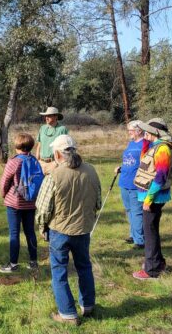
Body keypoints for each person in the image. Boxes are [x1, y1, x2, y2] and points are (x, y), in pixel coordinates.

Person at [35, 134, 101, 326]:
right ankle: (88, 305)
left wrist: (41, 226)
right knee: (84, 267)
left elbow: (43, 208)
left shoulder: (54, 175)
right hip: (83, 229)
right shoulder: (91, 171)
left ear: (57, 154)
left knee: (59, 272)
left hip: (59, 230)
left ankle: (67, 314)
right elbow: (97, 201)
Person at [132, 118, 172, 280]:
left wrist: (149, 199)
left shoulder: (163, 149)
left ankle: (151, 270)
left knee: (149, 233)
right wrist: (145, 141)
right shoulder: (156, 146)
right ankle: (158, 263)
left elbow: (160, 177)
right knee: (152, 231)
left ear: (156, 132)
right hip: (151, 196)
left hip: (154, 197)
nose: (144, 133)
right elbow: (144, 161)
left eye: (147, 131)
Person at [0, 133, 38, 273]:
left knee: (14, 233)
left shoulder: (14, 161)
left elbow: (4, 181)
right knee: (30, 232)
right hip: (31, 202)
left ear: (17, 146)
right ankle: (33, 261)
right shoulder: (34, 160)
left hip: (14, 203)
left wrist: (4, 195)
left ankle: (13, 264)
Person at [115, 120, 149, 249]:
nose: (129, 133)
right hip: (124, 181)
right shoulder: (130, 143)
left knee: (136, 212)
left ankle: (140, 240)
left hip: (136, 184)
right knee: (129, 210)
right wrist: (121, 167)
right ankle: (133, 235)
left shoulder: (146, 145)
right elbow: (129, 161)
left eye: (131, 130)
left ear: (139, 131)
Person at [35, 107, 69, 175]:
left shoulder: (62, 129)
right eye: (46, 116)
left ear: (56, 116)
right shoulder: (42, 128)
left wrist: (58, 163)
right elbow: (39, 145)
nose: (46, 118)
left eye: (49, 116)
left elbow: (65, 148)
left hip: (54, 163)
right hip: (41, 163)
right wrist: (37, 161)